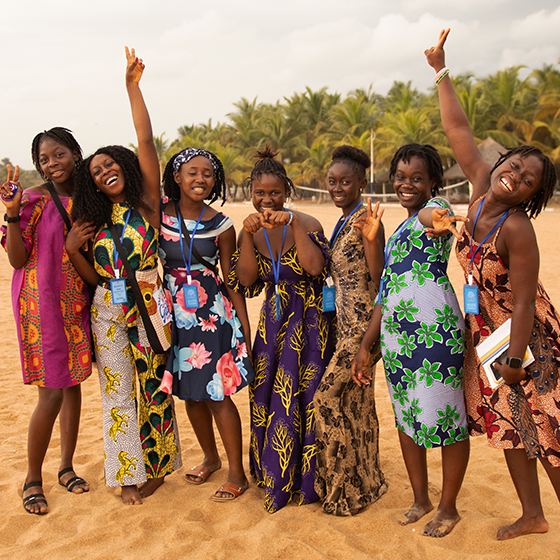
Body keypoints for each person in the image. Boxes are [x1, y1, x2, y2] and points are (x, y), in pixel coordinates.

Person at [426, 28, 560, 540]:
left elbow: (526, 302)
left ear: (532, 197)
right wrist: (441, 69)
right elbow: (458, 127)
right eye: (516, 165)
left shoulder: (518, 229)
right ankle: (533, 515)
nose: (516, 176)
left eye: (529, 181)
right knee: (510, 428)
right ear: (501, 162)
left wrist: (514, 361)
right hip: (490, 337)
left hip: (526, 341)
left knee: (547, 428)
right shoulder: (480, 191)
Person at [66, 47, 181, 505]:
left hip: (151, 307)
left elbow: (146, 142)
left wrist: (133, 88)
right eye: (96, 171)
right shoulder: (91, 221)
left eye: (109, 164)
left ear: (122, 166)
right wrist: (73, 251)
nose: (104, 171)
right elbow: (93, 281)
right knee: (117, 395)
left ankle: (156, 470)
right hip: (107, 311)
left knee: (154, 390)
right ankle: (127, 474)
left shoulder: (147, 204)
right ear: (91, 182)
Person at [352, 143, 470, 537]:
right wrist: (369, 344)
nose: (406, 184)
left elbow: (437, 216)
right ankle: (421, 499)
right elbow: (385, 288)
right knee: (406, 417)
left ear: (432, 181)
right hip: (398, 339)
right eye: (400, 177)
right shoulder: (401, 226)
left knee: (449, 421)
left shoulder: (429, 212)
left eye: (416, 178)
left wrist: (439, 215)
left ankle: (448, 508)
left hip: (435, 332)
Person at [227, 145, 334, 513]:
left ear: (286, 191)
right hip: (273, 323)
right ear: (251, 193)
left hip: (310, 320)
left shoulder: (308, 222)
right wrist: (245, 236)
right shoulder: (253, 231)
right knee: (269, 396)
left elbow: (315, 268)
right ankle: (275, 474)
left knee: (308, 396)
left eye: (275, 193)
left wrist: (293, 225)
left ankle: (308, 480)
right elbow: (245, 280)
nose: (267, 200)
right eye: (260, 193)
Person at [1, 127, 92, 515]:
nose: (51, 163)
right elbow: (17, 259)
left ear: (75, 153)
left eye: (58, 155)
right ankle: (31, 478)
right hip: (41, 302)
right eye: (44, 159)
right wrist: (10, 213)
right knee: (51, 391)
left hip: (78, 300)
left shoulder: (91, 199)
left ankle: (66, 467)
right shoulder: (32, 200)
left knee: (73, 384)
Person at [159, 148, 254, 501]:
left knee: (216, 393)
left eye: (208, 174)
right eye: (192, 172)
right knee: (190, 395)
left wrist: (244, 328)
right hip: (173, 318)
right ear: (177, 177)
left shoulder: (222, 224)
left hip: (211, 319)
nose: (200, 179)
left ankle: (236, 473)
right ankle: (210, 459)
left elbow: (230, 279)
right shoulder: (158, 215)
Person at [313, 145, 387, 516]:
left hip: (362, 331)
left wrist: (373, 240)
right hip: (345, 327)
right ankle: (369, 482)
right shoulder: (343, 219)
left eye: (346, 181)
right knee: (356, 405)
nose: (337, 187)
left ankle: (344, 490)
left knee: (325, 401)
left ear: (361, 182)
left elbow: (380, 278)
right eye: (332, 181)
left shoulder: (365, 219)